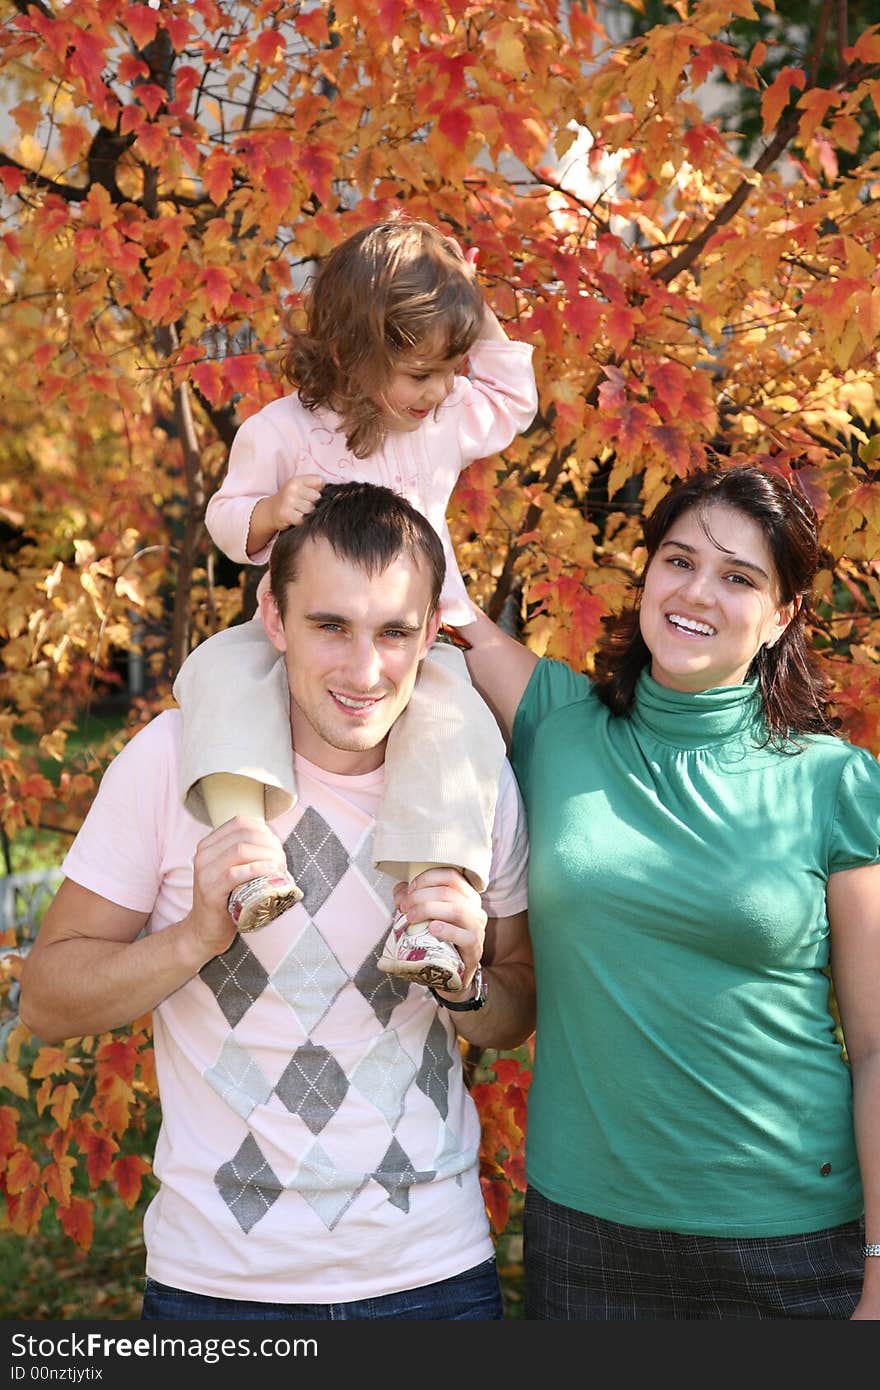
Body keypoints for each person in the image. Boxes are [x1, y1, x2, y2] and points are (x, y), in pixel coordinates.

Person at [20, 482, 535, 1321]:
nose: (365, 670)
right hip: (219, 1288)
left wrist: (468, 984)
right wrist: (193, 936)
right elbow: (46, 998)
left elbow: (513, 1009)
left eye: (395, 633)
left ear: (432, 632)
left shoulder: (471, 777)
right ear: (273, 615)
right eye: (330, 625)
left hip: (431, 1275)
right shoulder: (172, 761)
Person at [463, 462, 880, 1320]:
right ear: (646, 573)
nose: (698, 592)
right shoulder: (553, 721)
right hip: (587, 1236)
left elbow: (877, 1049)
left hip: (792, 1242)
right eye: (679, 560)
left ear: (782, 616)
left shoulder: (834, 783)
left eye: (739, 577)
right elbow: (423, 594)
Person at [174, 215, 537, 995]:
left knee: (455, 727)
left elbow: (513, 397)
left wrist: (472, 295)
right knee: (215, 675)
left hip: (416, 634)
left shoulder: (439, 422)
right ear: (350, 350)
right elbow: (225, 518)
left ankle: (431, 910)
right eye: (418, 372)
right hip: (301, 631)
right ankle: (247, 852)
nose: (440, 390)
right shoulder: (283, 429)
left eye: (450, 368)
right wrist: (270, 512)